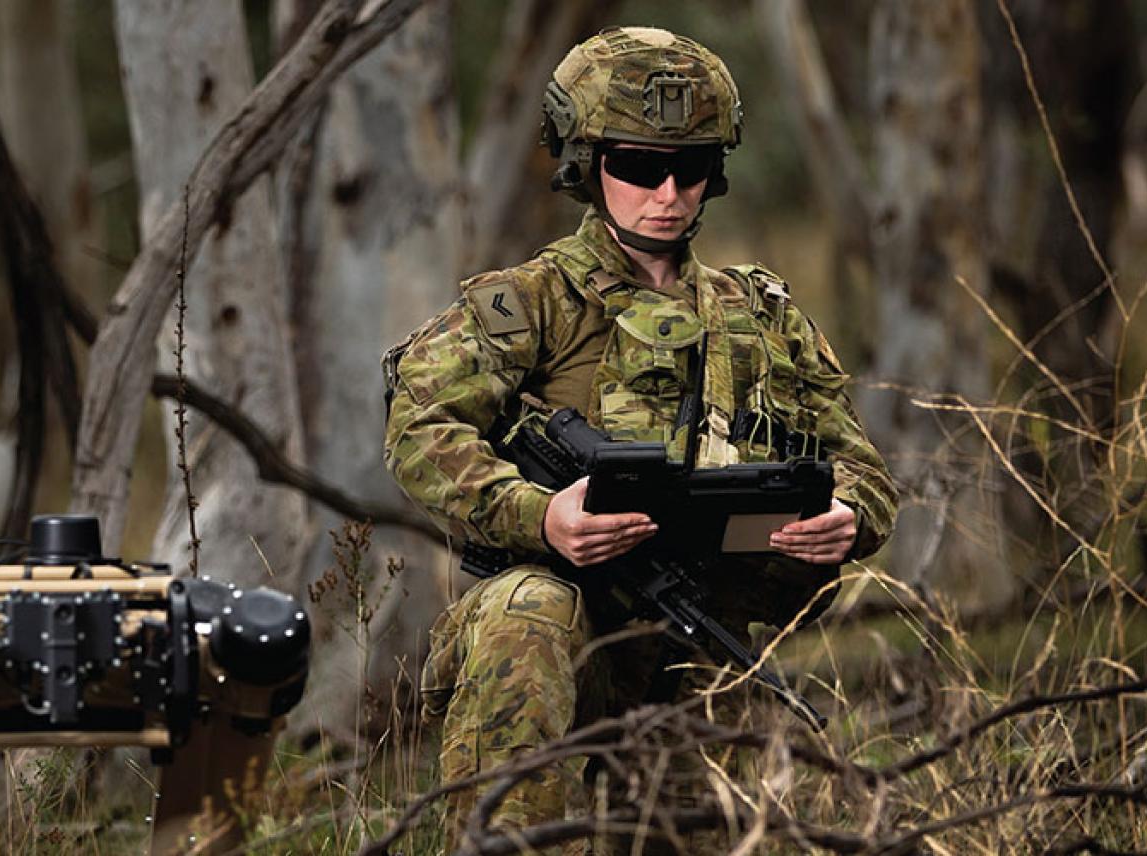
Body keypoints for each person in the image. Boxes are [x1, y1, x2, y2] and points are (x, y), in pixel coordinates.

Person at [381, 26, 897, 848]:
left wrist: (846, 515)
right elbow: (419, 431)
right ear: (586, 165)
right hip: (561, 624)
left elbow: (861, 467)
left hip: (702, 626)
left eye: (690, 168)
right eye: (637, 165)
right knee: (528, 609)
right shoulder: (529, 304)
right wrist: (537, 516)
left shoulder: (760, 316)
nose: (667, 191)